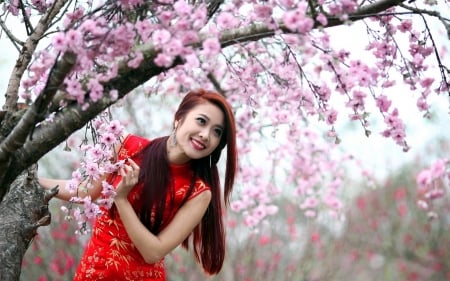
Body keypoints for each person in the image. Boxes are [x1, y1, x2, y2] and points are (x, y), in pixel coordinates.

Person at [39, 88, 238, 280]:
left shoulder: (199, 192)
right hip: (92, 274)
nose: (205, 134)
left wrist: (121, 200)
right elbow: (85, 191)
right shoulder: (126, 147)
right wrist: (35, 183)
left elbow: (154, 252)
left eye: (217, 132)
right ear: (179, 119)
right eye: (201, 121)